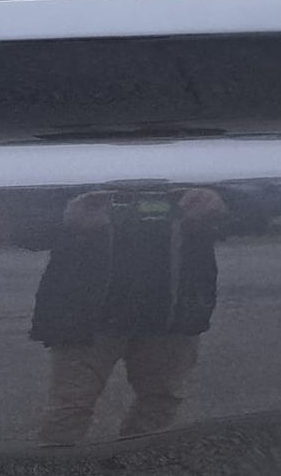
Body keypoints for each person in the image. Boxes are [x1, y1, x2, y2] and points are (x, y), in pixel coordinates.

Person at [27, 186, 226, 444]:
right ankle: (53, 474)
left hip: (172, 313)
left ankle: (134, 468)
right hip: (86, 314)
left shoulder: (199, 165)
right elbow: (25, 231)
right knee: (70, 407)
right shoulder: (65, 166)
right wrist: (66, 220)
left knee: (162, 400)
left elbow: (259, 213)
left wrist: (221, 205)